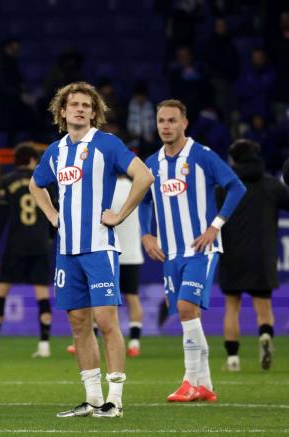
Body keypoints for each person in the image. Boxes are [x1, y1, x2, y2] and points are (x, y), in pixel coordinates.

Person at [29, 81, 154, 418]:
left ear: (94, 111)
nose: (81, 109)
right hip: (66, 252)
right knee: (79, 324)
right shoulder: (55, 151)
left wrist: (120, 214)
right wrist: (53, 215)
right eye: (75, 105)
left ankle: (115, 399)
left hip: (100, 248)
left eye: (87, 105)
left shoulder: (106, 144)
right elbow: (35, 184)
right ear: (63, 111)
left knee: (106, 321)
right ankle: (93, 399)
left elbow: (144, 176)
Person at [138, 99, 245, 404]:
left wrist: (215, 226)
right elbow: (143, 200)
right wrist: (146, 234)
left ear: (185, 123)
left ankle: (188, 380)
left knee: (186, 308)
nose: (166, 126)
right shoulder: (151, 163)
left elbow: (236, 187)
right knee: (189, 314)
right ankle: (206, 384)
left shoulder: (202, 156)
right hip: (170, 253)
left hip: (201, 247)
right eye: (161, 121)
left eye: (172, 120)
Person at [0, 143, 54, 358]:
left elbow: (1, 217)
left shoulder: (8, 182)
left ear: (16, 161)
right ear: (34, 160)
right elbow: (55, 214)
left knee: (1, 292)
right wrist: (50, 239)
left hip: (15, 245)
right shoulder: (44, 182)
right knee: (42, 294)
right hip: (40, 245)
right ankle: (44, 345)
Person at [217, 139, 289, 372]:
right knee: (264, 307)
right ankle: (265, 337)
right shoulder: (271, 186)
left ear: (233, 159)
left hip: (232, 255)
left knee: (231, 307)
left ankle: (232, 360)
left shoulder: (224, 187)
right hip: (262, 255)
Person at [112, 176, 144, 357]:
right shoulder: (137, 188)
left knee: (105, 300)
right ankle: (134, 343)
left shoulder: (106, 188)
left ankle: (93, 338)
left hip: (110, 252)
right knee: (133, 298)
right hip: (132, 253)